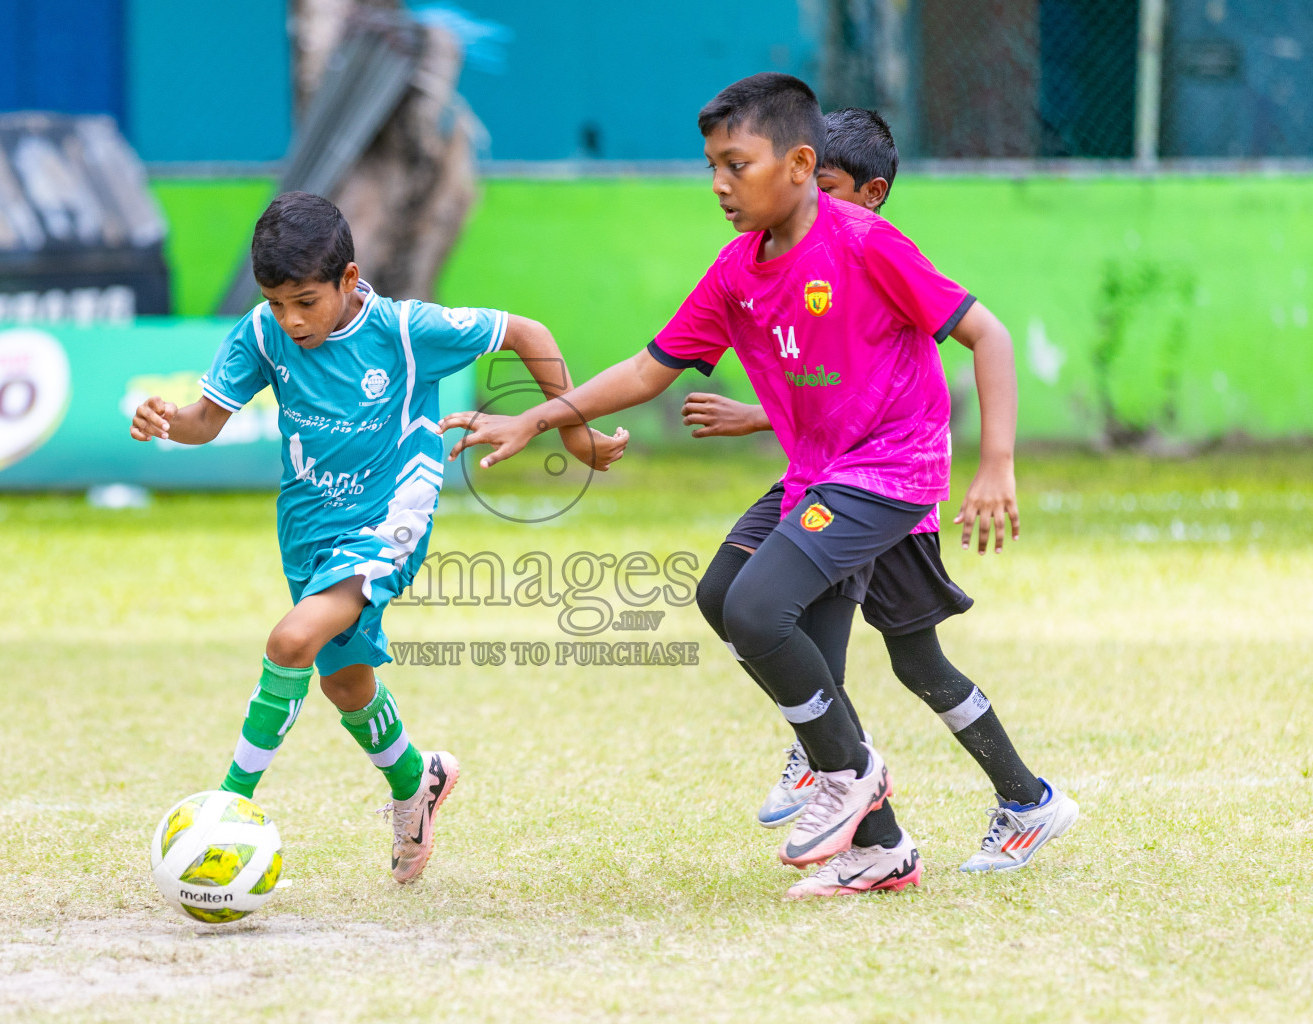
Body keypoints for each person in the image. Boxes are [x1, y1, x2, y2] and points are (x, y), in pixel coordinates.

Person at [439, 74, 1071, 898]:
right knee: (723, 592)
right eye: (712, 167)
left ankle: (849, 771)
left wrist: (997, 464)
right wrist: (542, 417)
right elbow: (645, 368)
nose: (719, 185)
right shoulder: (738, 272)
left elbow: (986, 334)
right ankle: (878, 845)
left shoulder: (865, 241)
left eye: (736, 165)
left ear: (801, 163)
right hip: (820, 471)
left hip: (890, 471)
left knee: (764, 609)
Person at [130, 191, 625, 883]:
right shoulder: (261, 333)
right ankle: (415, 781)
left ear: (349, 279)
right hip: (307, 526)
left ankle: (227, 805)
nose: (290, 319)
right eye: (276, 302)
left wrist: (574, 433)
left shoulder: (404, 330)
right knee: (345, 682)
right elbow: (204, 421)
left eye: (305, 300)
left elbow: (529, 334)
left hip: (389, 522)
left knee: (290, 641)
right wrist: (166, 420)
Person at [680, 107, 1078, 885]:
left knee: (911, 658)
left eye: (826, 189)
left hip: (889, 491)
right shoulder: (798, 258)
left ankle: (959, 792)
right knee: (769, 605)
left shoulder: (872, 255)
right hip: (836, 479)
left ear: (872, 191)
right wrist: (758, 414)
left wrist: (998, 463)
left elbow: (927, 369)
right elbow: (838, 391)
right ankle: (861, 795)